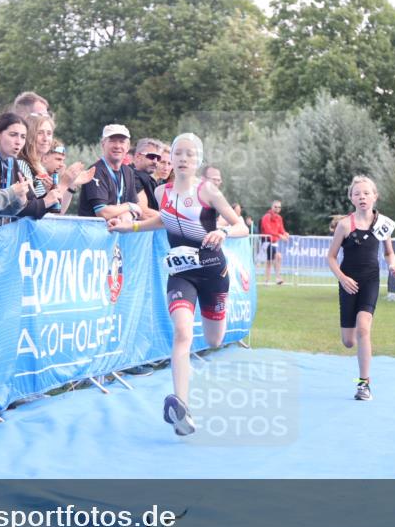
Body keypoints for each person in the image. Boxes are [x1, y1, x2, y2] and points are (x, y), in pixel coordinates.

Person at [108, 133, 248, 435]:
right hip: (181, 273)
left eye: (190, 154)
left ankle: (216, 320)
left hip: (212, 272)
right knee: (182, 332)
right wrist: (130, 227)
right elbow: (164, 221)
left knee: (213, 340)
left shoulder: (207, 190)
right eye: (178, 153)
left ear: (198, 160)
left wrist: (223, 232)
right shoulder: (162, 192)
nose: (183, 159)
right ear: (170, 159)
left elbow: (242, 226)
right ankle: (181, 407)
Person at [326, 176, 395, 401]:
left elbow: (388, 253)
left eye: (367, 193)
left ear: (375, 196)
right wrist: (342, 278)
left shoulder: (383, 224)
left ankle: (364, 384)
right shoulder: (344, 225)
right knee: (349, 341)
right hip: (348, 284)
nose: (362, 197)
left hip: (370, 281)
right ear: (351, 198)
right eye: (357, 194)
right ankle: (360, 346)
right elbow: (331, 257)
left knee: (364, 328)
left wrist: (393, 266)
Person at [0, 112, 61, 219]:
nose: (18, 142)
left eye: (23, 137)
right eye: (13, 135)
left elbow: (30, 202)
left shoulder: (12, 161)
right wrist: (45, 201)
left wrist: (47, 196)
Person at [78, 124, 143, 220]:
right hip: (93, 229)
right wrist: (129, 206)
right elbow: (103, 213)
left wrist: (129, 215)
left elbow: (137, 209)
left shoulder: (128, 171)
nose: (117, 146)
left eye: (122, 142)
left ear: (128, 146)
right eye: (112, 141)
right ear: (103, 144)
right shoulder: (96, 171)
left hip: (117, 228)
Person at [130, 138, 165, 210]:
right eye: (151, 156)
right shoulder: (130, 176)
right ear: (138, 156)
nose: (155, 161)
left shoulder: (150, 179)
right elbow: (143, 211)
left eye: (158, 158)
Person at [260, 200, 289, 284]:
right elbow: (268, 230)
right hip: (267, 242)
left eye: (279, 207)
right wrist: (280, 235)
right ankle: (278, 278)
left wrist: (285, 233)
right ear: (272, 207)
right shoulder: (266, 217)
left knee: (269, 261)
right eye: (275, 207)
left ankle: (267, 281)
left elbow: (281, 229)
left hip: (274, 242)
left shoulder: (279, 218)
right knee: (278, 256)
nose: (277, 208)